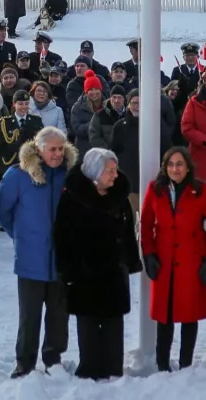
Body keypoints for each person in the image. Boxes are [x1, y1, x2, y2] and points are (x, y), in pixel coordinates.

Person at [53, 147, 141, 381]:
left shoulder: (119, 196)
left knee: (113, 322)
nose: (115, 175)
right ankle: (90, 368)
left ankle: (113, 368)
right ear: (94, 172)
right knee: (88, 321)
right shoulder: (72, 198)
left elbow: (128, 232)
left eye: (115, 170)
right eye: (109, 171)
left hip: (113, 271)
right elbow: (62, 238)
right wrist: (67, 272)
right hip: (84, 272)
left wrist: (130, 260)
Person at [0, 126, 75, 377]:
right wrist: (20, 235)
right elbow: (3, 211)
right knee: (29, 317)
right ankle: (25, 362)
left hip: (62, 259)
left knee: (59, 315)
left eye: (61, 149)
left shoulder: (70, 176)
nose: (57, 154)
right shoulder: (19, 175)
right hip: (31, 259)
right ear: (39, 150)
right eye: (52, 149)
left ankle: (53, 358)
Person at [141, 145, 206, 372]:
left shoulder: (202, 191)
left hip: (192, 260)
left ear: (187, 166)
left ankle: (186, 364)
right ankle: (162, 363)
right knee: (164, 316)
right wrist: (149, 254)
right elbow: (145, 225)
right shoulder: (156, 189)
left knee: (188, 314)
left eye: (180, 164)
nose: (175, 169)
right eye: (171, 164)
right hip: (164, 260)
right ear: (165, 167)